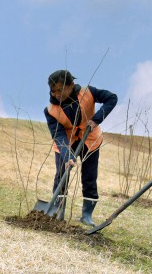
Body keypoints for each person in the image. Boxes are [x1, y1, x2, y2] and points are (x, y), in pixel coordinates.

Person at [44, 69, 118, 227]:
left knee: (89, 178)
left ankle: (87, 215)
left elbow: (112, 98)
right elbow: (58, 135)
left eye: (61, 89)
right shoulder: (51, 110)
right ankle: (58, 211)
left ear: (71, 85)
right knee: (61, 176)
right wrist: (67, 155)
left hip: (90, 139)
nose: (57, 94)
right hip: (66, 142)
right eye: (53, 91)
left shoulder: (88, 92)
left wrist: (96, 119)